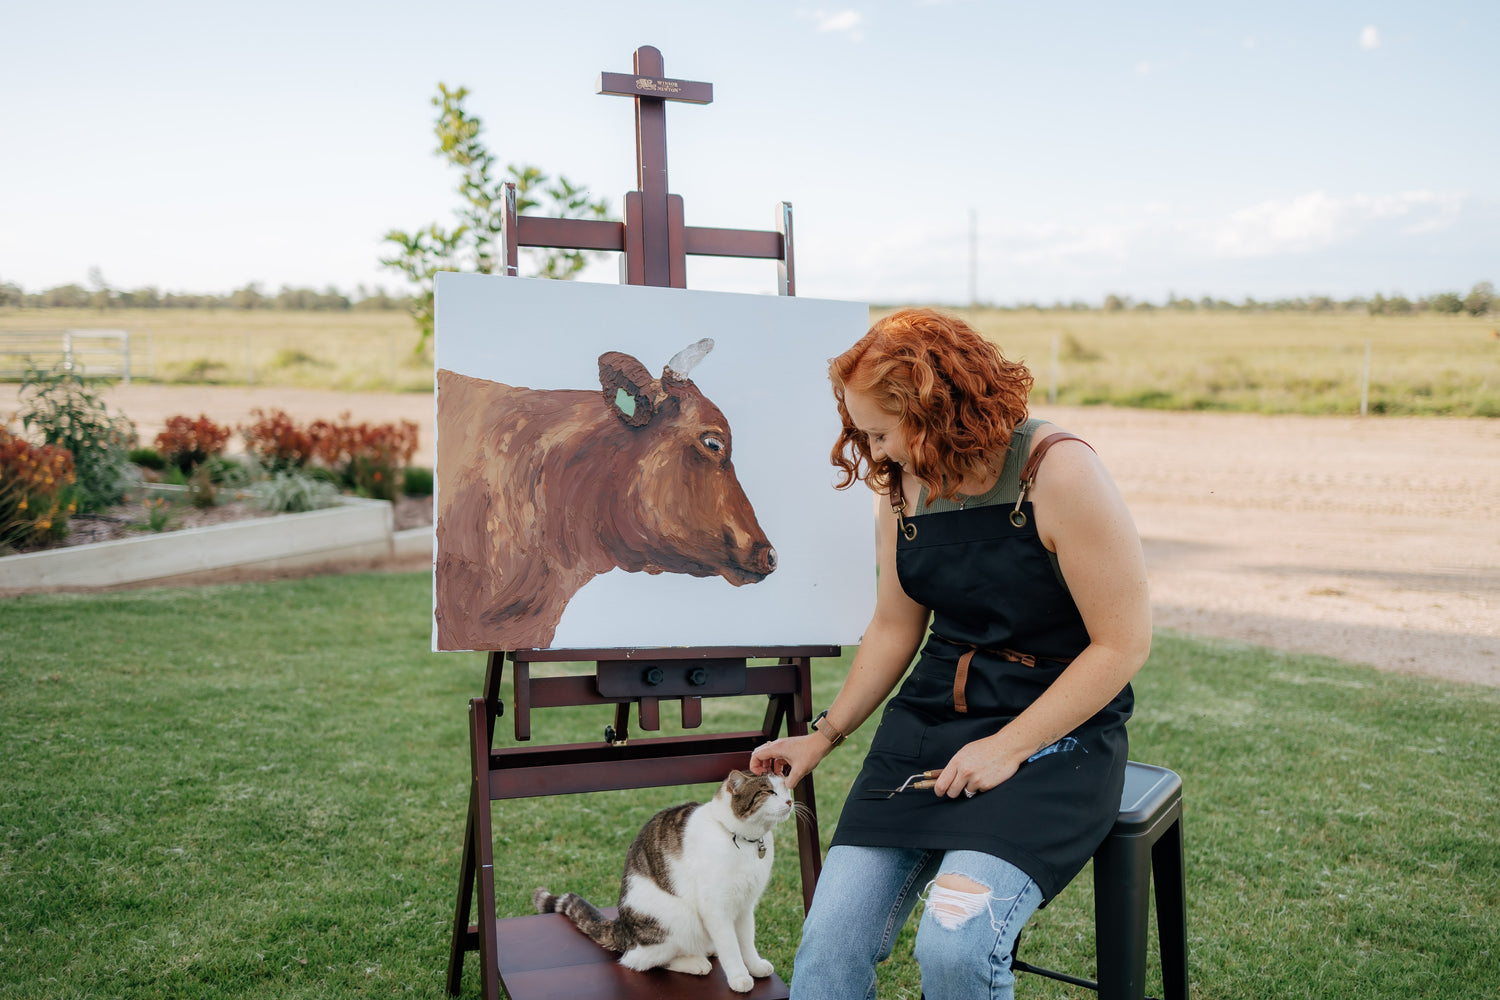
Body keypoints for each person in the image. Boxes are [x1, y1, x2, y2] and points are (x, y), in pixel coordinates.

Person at [749, 307, 1151, 1000]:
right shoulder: (902, 486)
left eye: (879, 432)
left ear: (933, 411)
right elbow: (895, 626)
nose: (873, 452)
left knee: (956, 944)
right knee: (829, 943)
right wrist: (824, 736)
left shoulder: (1059, 472)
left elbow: (1122, 644)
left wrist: (1008, 747)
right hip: (932, 722)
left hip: (1056, 736)